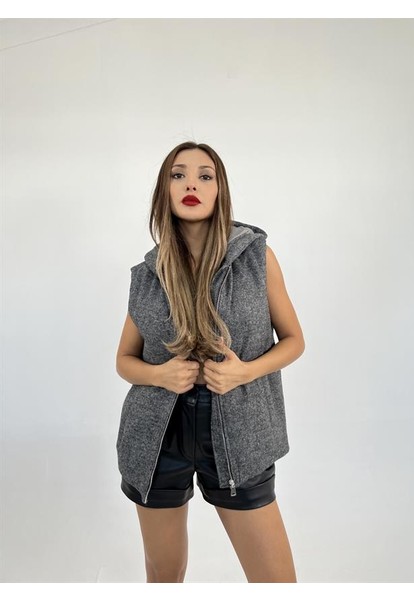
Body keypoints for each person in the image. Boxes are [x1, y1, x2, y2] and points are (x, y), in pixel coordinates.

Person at [115, 141, 305, 583]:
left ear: (220, 190)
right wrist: (160, 374)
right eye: (178, 175)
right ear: (164, 191)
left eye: (205, 176)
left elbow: (294, 341)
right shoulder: (148, 275)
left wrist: (245, 371)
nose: (191, 185)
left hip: (240, 434)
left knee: (276, 582)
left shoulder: (256, 257)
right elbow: (124, 360)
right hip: (156, 436)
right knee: (164, 575)